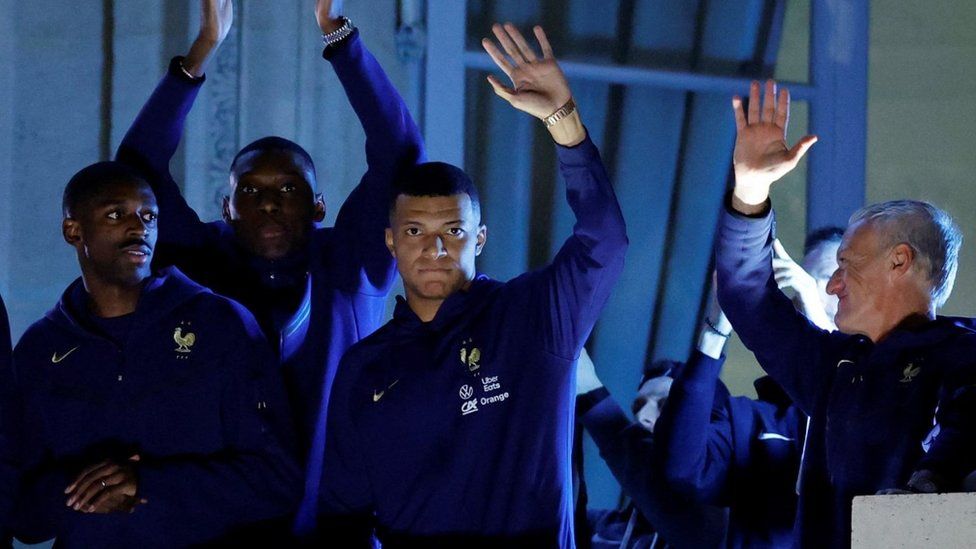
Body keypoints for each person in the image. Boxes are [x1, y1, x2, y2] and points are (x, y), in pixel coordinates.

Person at [113, 0, 425, 532]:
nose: (269, 203)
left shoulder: (353, 263)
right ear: (226, 208)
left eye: (287, 189)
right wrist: (203, 47)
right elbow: (135, 171)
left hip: (339, 525)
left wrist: (340, 38)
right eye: (251, 192)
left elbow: (399, 153)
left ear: (318, 205)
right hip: (220, 524)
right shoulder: (201, 261)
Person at [316, 23, 628, 546]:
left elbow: (606, 240)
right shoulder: (364, 365)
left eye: (452, 231)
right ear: (391, 243)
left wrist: (563, 120)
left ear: (479, 237)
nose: (435, 249)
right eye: (415, 232)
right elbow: (341, 515)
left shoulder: (534, 315)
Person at [716, 79, 976, 548]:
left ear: (900, 261)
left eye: (846, 268)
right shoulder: (834, 364)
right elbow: (746, 297)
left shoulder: (963, 358)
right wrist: (750, 189)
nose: (832, 287)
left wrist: (933, 479)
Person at [1, 162, 300, 546]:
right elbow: (21, 511)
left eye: (149, 216)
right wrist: (84, 492)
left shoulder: (221, 323)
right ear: (73, 231)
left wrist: (147, 484)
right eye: (116, 214)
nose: (138, 228)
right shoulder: (40, 350)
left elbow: (279, 479)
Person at [575, 350, 729, 548]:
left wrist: (589, 392)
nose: (642, 417)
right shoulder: (610, 528)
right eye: (638, 406)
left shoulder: (720, 522)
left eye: (666, 405)